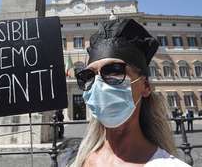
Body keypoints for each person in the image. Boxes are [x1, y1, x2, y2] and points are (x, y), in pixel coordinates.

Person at [72, 18, 190, 166]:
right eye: (88, 76)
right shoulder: (76, 160)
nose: (98, 85)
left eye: (114, 71)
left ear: (145, 86)